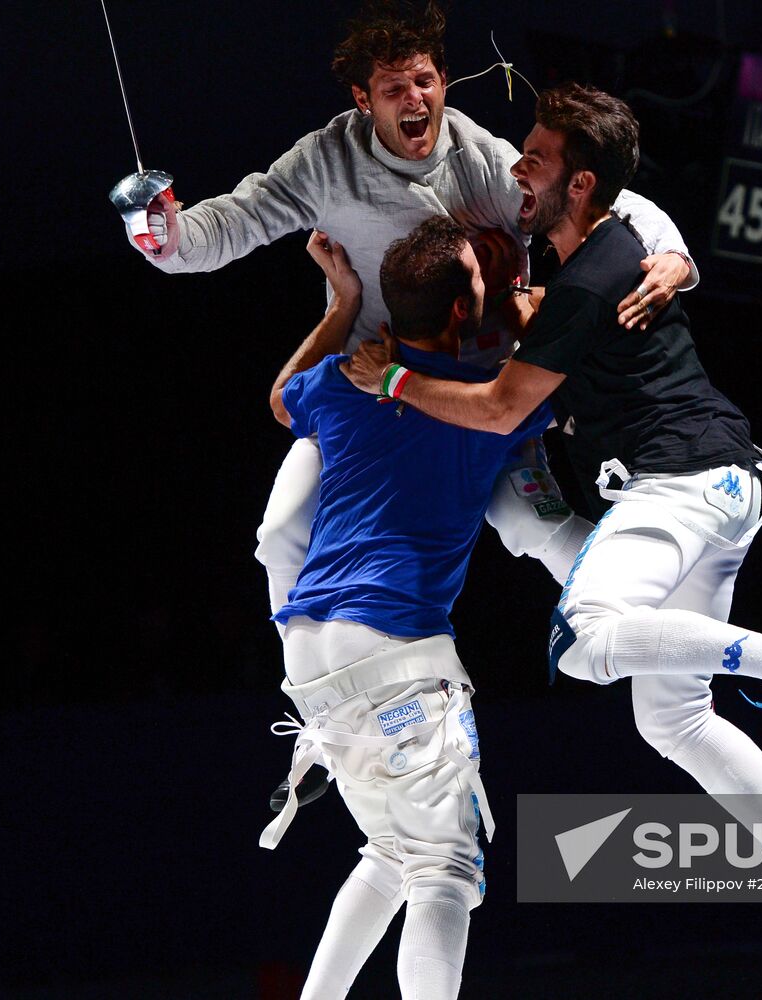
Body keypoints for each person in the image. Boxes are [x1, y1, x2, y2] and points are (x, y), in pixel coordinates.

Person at [346, 83, 762, 990]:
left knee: (589, 632)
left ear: (581, 185)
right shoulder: (600, 239)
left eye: (538, 161)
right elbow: (604, 242)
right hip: (722, 484)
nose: (519, 168)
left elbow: (508, 399)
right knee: (670, 716)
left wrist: (391, 379)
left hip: (679, 486)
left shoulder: (591, 277)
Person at [119, 0, 698, 622]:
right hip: (376, 389)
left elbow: (595, 186)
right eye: (394, 88)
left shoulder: (482, 158)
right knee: (281, 532)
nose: (414, 99)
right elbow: (236, 219)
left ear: (443, 83)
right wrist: (169, 238)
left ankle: (672, 626)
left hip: (481, 394)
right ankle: (313, 693)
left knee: (533, 525)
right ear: (364, 100)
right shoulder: (326, 161)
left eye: (425, 81)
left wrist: (673, 254)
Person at [259, 216, 552, 999]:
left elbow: (284, 397)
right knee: (445, 867)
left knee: (391, 850)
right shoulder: (490, 402)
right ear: (464, 310)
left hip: (310, 651)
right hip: (391, 649)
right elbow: (554, 387)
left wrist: (338, 303)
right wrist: (528, 319)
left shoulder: (341, 382)